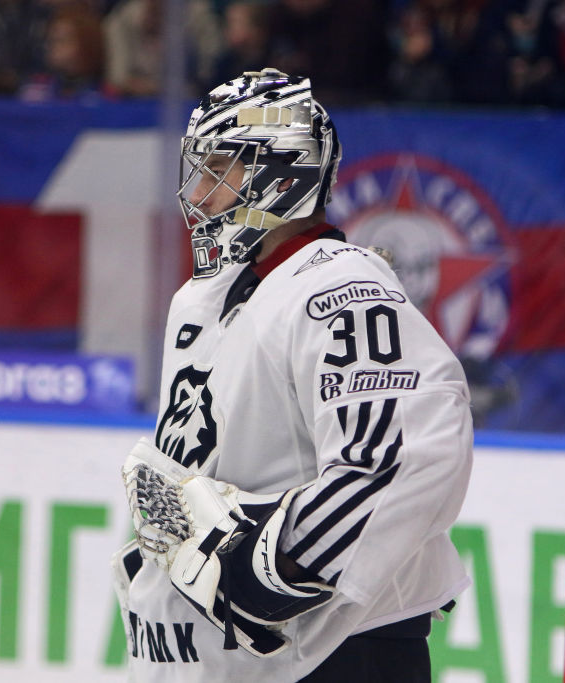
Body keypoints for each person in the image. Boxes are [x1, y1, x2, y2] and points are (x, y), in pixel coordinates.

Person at [113, 68, 473, 681]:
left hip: (336, 654)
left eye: (219, 168)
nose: (199, 190)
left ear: (281, 173)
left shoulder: (340, 289)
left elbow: (398, 457)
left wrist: (273, 565)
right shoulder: (205, 299)